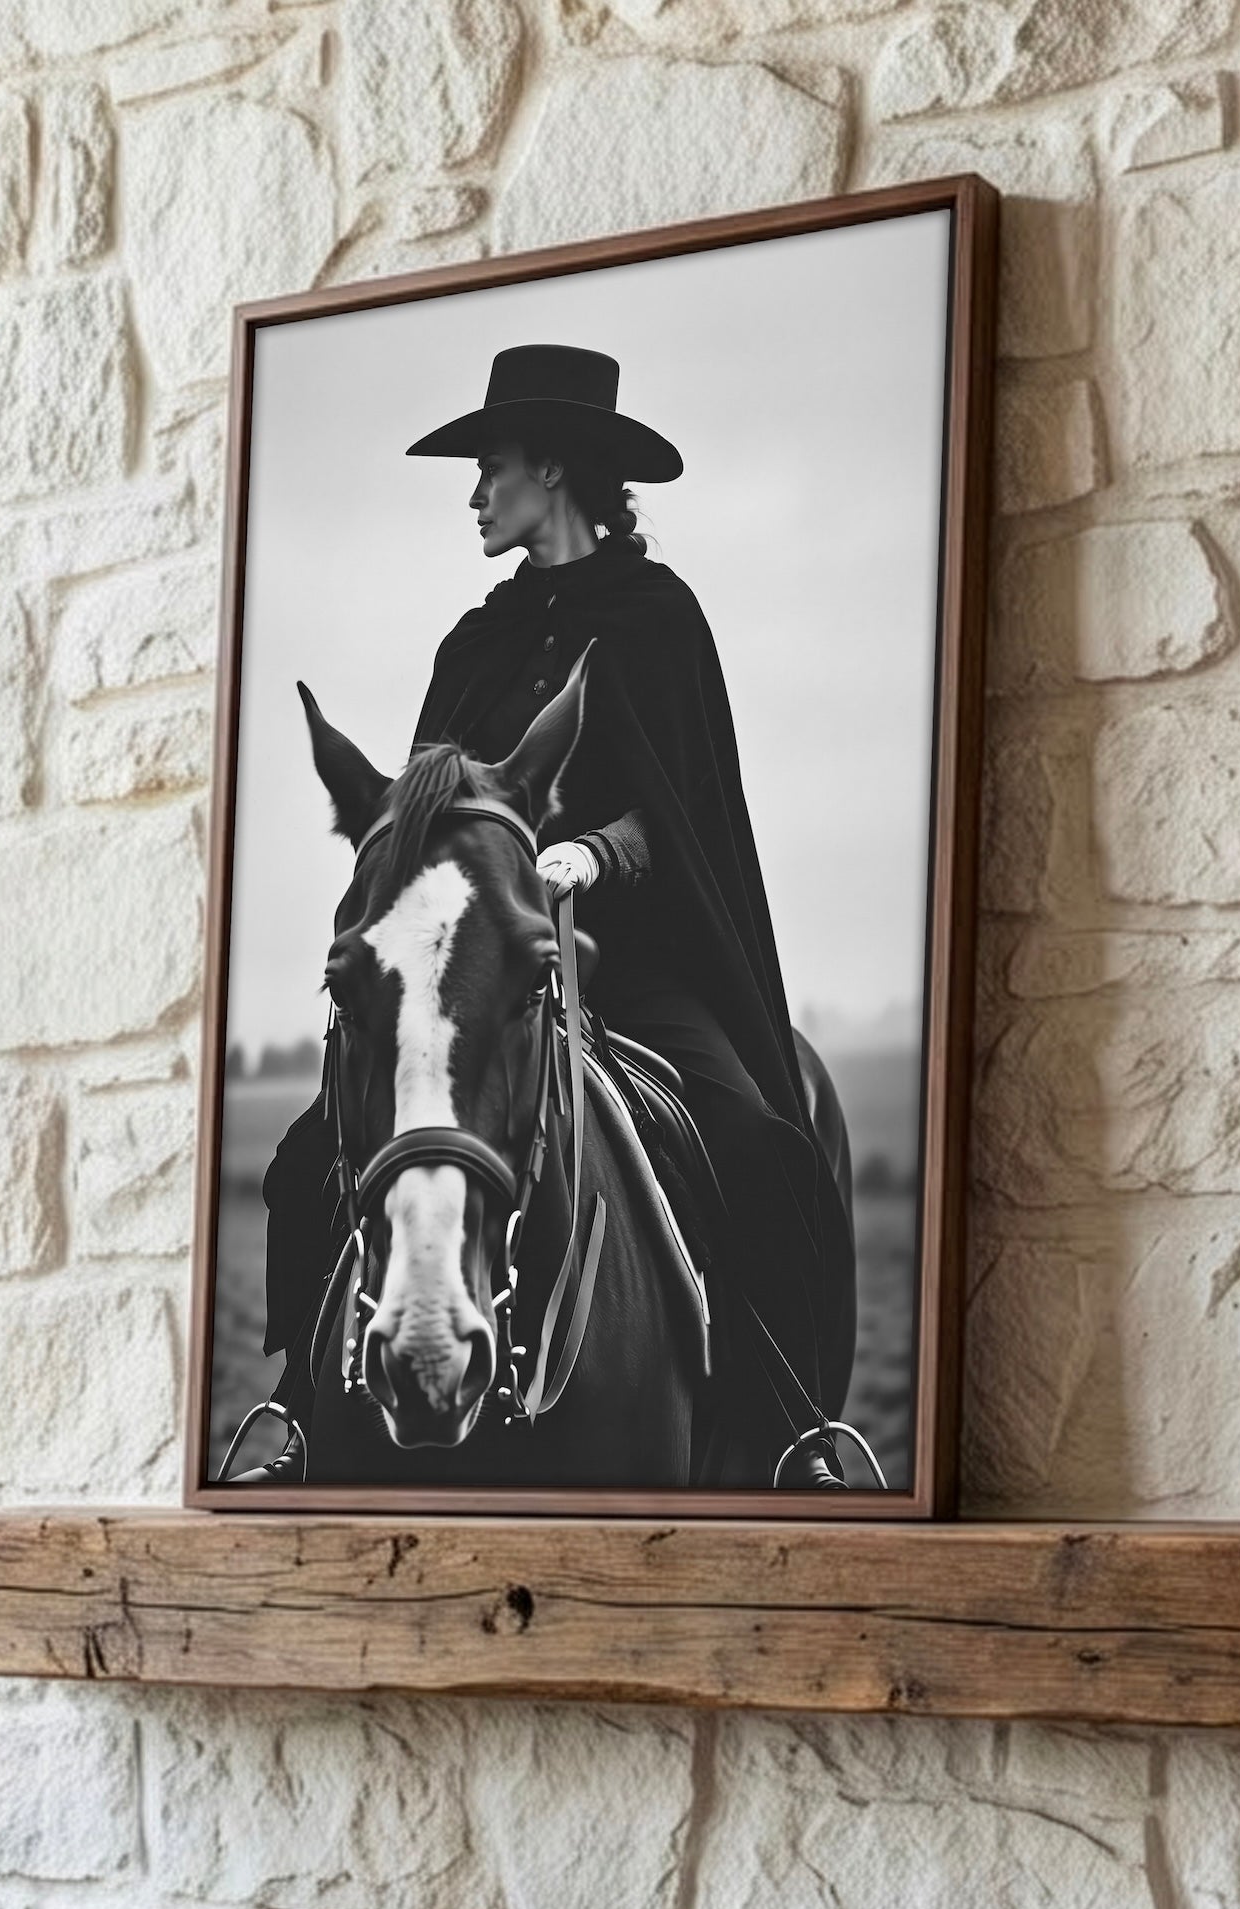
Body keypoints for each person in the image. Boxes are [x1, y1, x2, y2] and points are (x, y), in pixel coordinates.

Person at [238, 344, 854, 1485]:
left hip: (640, 967)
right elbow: (427, 822)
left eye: (494, 469)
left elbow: (692, 815)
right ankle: (296, 1409)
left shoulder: (659, 620)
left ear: (556, 473)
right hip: (490, 978)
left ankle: (785, 1424)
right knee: (304, 1156)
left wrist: (589, 854)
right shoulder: (473, 642)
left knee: (755, 1145)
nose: (475, 495)